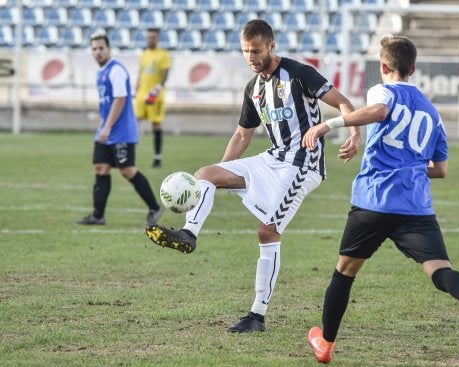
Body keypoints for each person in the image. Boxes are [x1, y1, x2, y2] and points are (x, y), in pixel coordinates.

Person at [145, 19, 361, 333]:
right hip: (271, 159)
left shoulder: (298, 73)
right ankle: (188, 234)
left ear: (271, 46)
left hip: (303, 164)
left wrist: (354, 133)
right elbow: (243, 135)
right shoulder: (254, 87)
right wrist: (220, 174)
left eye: (256, 50)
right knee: (205, 173)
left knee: (267, 232)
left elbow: (342, 102)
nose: (250, 56)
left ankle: (257, 316)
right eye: (246, 50)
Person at [302, 35, 459, 364]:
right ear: (414, 68)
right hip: (416, 207)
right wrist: (411, 164)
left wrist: (329, 124)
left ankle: (326, 342)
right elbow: (440, 170)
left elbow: (379, 110)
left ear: (384, 67)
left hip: (374, 201)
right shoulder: (433, 112)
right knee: (440, 270)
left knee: (344, 273)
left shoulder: (383, 91)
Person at [77, 33, 163, 226]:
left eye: (101, 48)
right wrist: (104, 126)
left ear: (109, 49)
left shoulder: (116, 70)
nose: (98, 52)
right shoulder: (101, 73)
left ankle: (154, 207)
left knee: (127, 170)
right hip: (106, 129)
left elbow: (121, 99)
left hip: (121, 130)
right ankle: (98, 215)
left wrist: (107, 126)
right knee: (100, 167)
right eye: (94, 49)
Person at [135, 28, 171, 168]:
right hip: (141, 95)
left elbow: (165, 73)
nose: (150, 40)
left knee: (156, 125)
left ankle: (157, 158)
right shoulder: (143, 55)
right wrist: (136, 87)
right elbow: (140, 73)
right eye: (148, 37)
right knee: (134, 123)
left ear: (157, 39)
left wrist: (157, 89)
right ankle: (129, 155)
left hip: (155, 96)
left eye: (153, 37)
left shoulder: (163, 55)